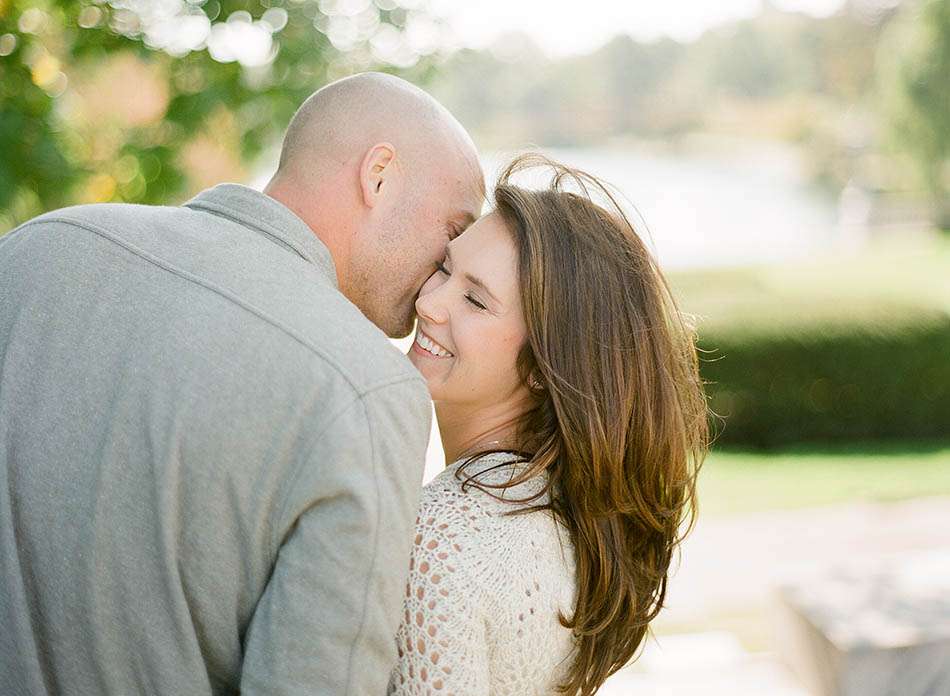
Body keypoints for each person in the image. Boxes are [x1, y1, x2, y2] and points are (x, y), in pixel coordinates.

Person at [0, 72, 483, 695]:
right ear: (379, 174)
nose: (442, 276)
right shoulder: (367, 390)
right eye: (452, 231)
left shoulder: (37, 250)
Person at [388, 154, 709, 695]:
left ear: (542, 367)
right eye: (445, 267)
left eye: (475, 300)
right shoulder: (564, 511)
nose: (430, 302)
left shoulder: (443, 536)